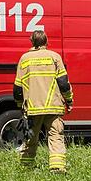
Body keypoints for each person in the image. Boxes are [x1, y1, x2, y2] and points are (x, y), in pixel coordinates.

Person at [13, 29, 73, 173]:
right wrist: (69, 101)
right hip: (53, 106)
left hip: (33, 108)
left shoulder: (24, 59)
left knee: (30, 139)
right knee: (56, 136)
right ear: (46, 42)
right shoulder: (55, 57)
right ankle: (57, 167)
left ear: (32, 41)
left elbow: (17, 88)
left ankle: (26, 168)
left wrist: (20, 105)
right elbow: (63, 83)